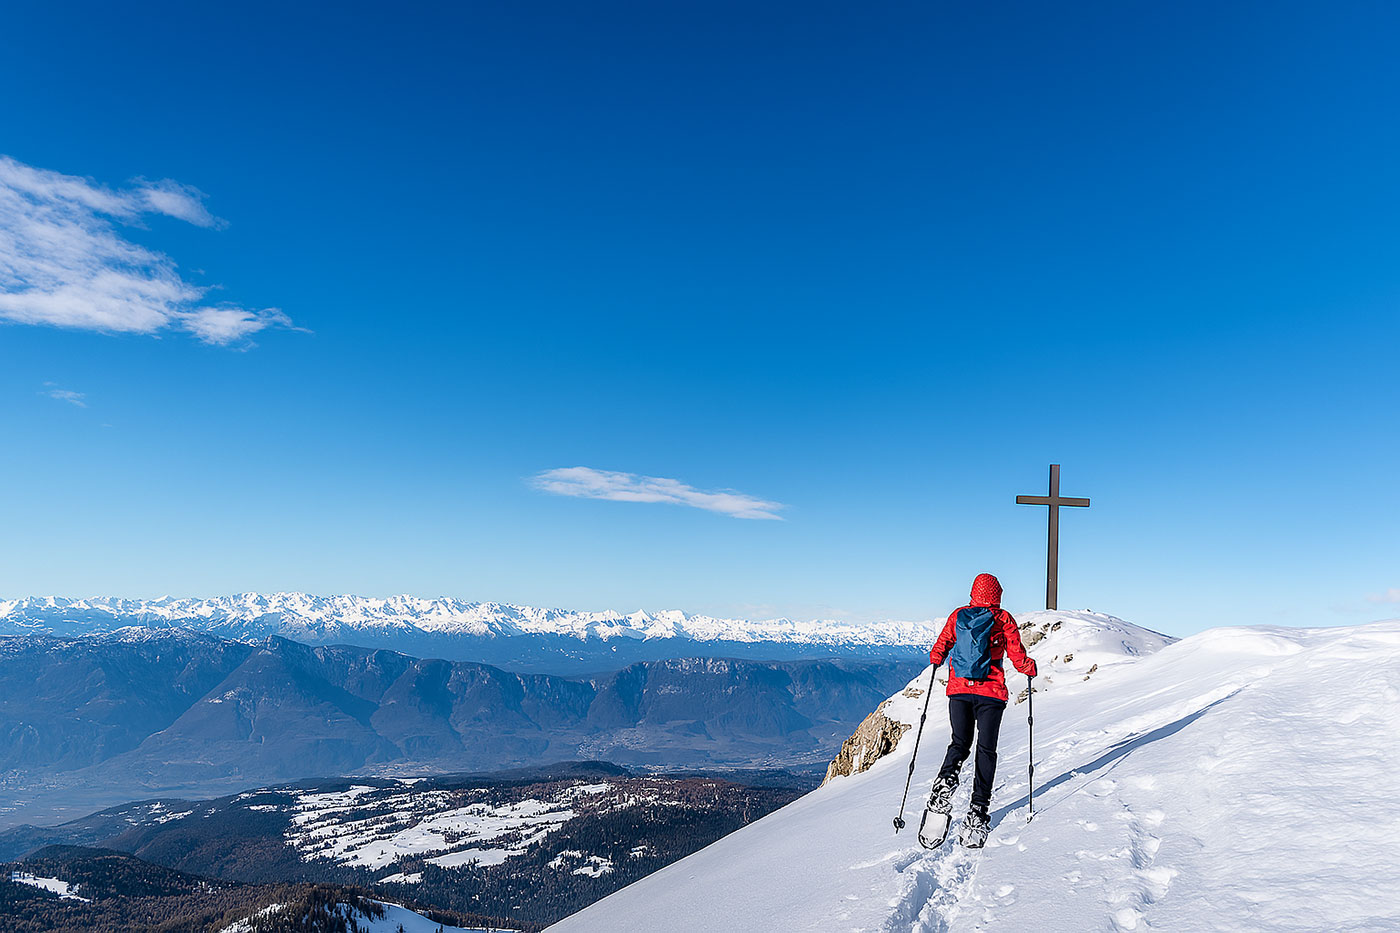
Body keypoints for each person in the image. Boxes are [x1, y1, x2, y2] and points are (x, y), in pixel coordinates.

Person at [926, 572, 1038, 845]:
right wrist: (1029, 668)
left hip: (959, 691)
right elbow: (1017, 655)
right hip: (991, 694)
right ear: (997, 595)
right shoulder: (1003, 619)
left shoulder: (958, 616)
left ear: (973, 593)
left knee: (959, 743)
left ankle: (945, 782)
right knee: (986, 750)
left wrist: (937, 658)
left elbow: (941, 647)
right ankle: (978, 811)